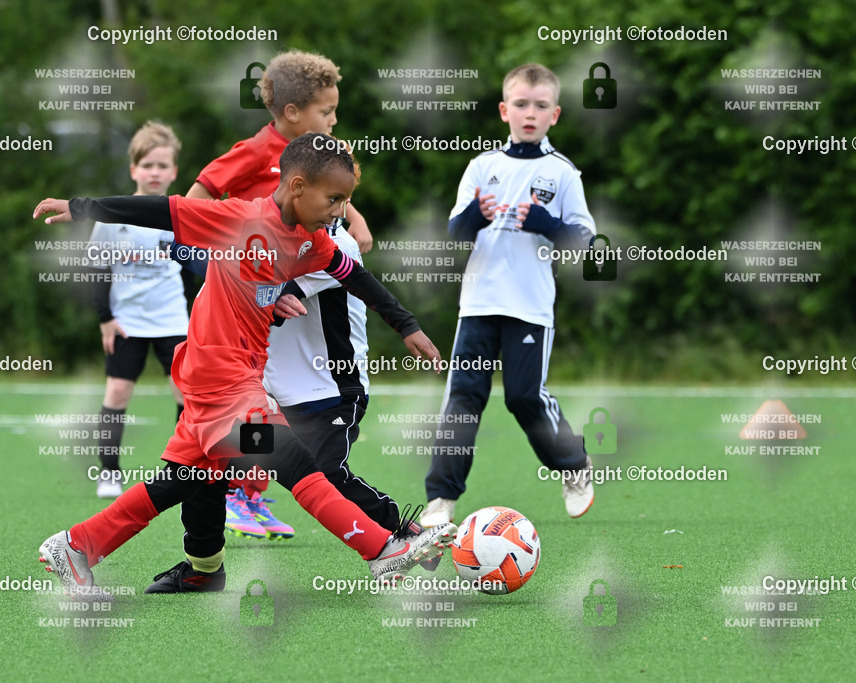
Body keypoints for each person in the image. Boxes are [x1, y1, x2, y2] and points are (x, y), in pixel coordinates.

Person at [34, 133, 456, 598]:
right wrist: (83, 207)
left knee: (181, 481)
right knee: (293, 459)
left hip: (221, 381)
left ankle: (75, 546)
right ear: (297, 187)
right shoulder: (240, 220)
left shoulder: (309, 240)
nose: (341, 210)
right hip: (221, 380)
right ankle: (382, 552)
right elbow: (162, 210)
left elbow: (356, 276)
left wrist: (407, 325)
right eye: (334, 199)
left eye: (346, 200)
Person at [185, 49, 374, 539]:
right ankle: (231, 497)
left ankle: (246, 497)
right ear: (293, 113)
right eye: (326, 112)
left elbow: (330, 203)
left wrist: (354, 221)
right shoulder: (253, 151)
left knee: (266, 401)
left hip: (279, 286)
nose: (335, 120)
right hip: (242, 287)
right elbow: (196, 198)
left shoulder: (318, 161)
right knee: (242, 398)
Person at [420, 63, 597, 528]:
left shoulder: (563, 173)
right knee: (463, 398)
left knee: (524, 397)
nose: (530, 113)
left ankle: (574, 465)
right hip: (479, 304)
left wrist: (547, 224)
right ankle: (441, 500)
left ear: (555, 114)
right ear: (504, 110)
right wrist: (475, 216)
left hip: (529, 307)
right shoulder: (483, 167)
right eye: (521, 104)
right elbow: (457, 232)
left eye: (541, 105)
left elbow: (584, 240)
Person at [86, 121, 190, 498]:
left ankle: (185, 468)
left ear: (174, 171)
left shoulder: (183, 214)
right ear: (133, 170)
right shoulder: (112, 216)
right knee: (117, 393)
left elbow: (198, 270)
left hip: (173, 320)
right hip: (126, 322)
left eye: (163, 166)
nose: (155, 172)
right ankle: (109, 473)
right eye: (148, 165)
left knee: (186, 393)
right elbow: (98, 270)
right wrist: (106, 320)